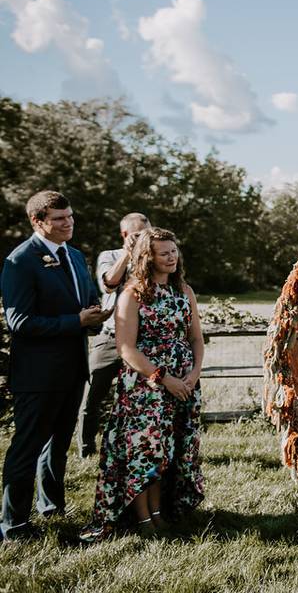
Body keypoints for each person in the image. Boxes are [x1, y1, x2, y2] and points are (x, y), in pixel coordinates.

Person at [81, 228, 204, 540]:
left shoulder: (183, 291)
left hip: (183, 385)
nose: (171, 257)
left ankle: (160, 513)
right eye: (164, 253)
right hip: (145, 387)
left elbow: (196, 338)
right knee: (144, 451)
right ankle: (143, 519)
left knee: (167, 451)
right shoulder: (132, 294)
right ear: (148, 257)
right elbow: (126, 348)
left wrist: (193, 374)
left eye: (174, 251)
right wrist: (165, 380)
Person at [1, 191, 107, 540]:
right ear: (38, 221)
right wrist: (75, 321)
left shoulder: (75, 256)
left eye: (70, 216)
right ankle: (14, 523)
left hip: (74, 369)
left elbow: (86, 302)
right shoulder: (20, 261)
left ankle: (51, 507)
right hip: (37, 373)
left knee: (58, 444)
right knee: (27, 447)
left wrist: (95, 316)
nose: (68, 223)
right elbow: (20, 322)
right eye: (59, 219)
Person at [77, 212, 151, 458]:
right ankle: (86, 448)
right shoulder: (109, 256)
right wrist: (128, 255)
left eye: (147, 234)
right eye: (139, 235)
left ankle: (137, 446)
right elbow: (108, 283)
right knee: (92, 395)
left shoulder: (154, 256)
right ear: (125, 235)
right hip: (110, 337)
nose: (145, 240)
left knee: (144, 397)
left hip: (143, 340)